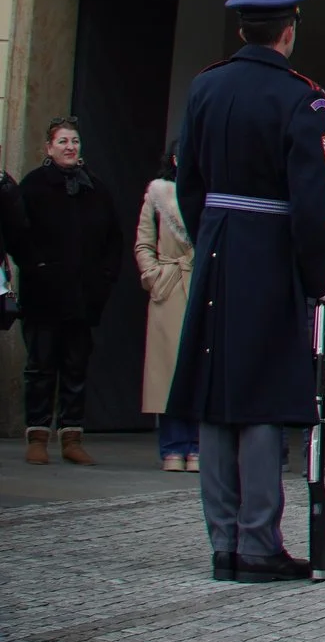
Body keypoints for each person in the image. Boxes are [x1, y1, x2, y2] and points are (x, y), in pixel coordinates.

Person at [169, 0, 325, 582]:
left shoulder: (206, 86)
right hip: (269, 253)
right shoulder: (303, 99)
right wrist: (316, 276)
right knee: (262, 399)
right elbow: (312, 202)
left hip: (218, 249)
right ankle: (259, 544)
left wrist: (213, 235)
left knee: (215, 397)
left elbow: (189, 182)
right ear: (288, 33)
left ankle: (223, 545)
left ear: (244, 31)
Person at [6, 117, 123, 467]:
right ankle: (37, 436)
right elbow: (17, 234)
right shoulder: (33, 186)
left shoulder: (96, 188)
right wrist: (37, 267)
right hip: (43, 296)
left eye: (74, 141)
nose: (70, 147)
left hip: (83, 298)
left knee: (75, 368)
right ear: (49, 147)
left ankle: (72, 438)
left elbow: (113, 240)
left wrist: (103, 279)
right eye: (63, 142)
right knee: (40, 368)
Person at [135, 145, 199, 472]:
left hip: (201, 284)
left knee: (200, 369)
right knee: (168, 372)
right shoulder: (157, 193)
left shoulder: (209, 191)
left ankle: (197, 445)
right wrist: (154, 275)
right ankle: (173, 446)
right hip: (170, 286)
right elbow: (143, 242)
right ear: (175, 158)